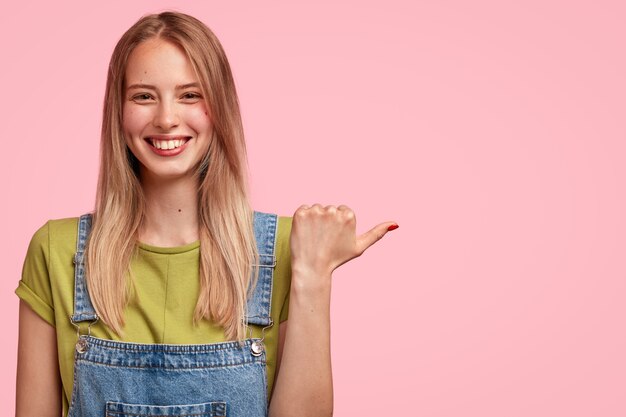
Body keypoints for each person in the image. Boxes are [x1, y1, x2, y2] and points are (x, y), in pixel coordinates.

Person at [15, 10, 398, 417]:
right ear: (119, 111)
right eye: (144, 95)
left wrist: (314, 275)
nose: (165, 118)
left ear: (219, 107)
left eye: (190, 95)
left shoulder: (287, 248)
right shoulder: (57, 251)